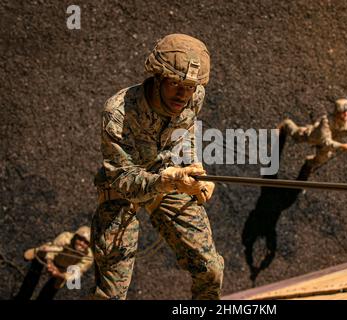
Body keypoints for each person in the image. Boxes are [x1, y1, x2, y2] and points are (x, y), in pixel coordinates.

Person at [90, 34, 224, 300]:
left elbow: (186, 132)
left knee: (210, 271)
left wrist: (195, 169)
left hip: (173, 178)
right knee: (111, 295)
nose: (183, 94)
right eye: (175, 84)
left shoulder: (194, 96)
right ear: (158, 77)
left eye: (190, 87)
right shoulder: (118, 112)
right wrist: (169, 181)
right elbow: (124, 180)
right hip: (124, 191)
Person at [277, 98, 347, 181]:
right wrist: (343, 146)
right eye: (343, 112)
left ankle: (307, 166)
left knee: (322, 159)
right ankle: (286, 125)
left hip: (331, 144)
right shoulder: (327, 121)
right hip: (316, 137)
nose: (346, 114)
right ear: (337, 112)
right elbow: (326, 142)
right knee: (297, 135)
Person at [14, 226, 92, 300]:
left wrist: (59, 274)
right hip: (46, 256)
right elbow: (54, 249)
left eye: (86, 242)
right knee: (32, 277)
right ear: (75, 236)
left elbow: (77, 272)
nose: (81, 243)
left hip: (63, 269)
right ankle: (22, 297)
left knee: (53, 288)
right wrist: (49, 263)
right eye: (80, 239)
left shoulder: (89, 257)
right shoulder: (66, 237)